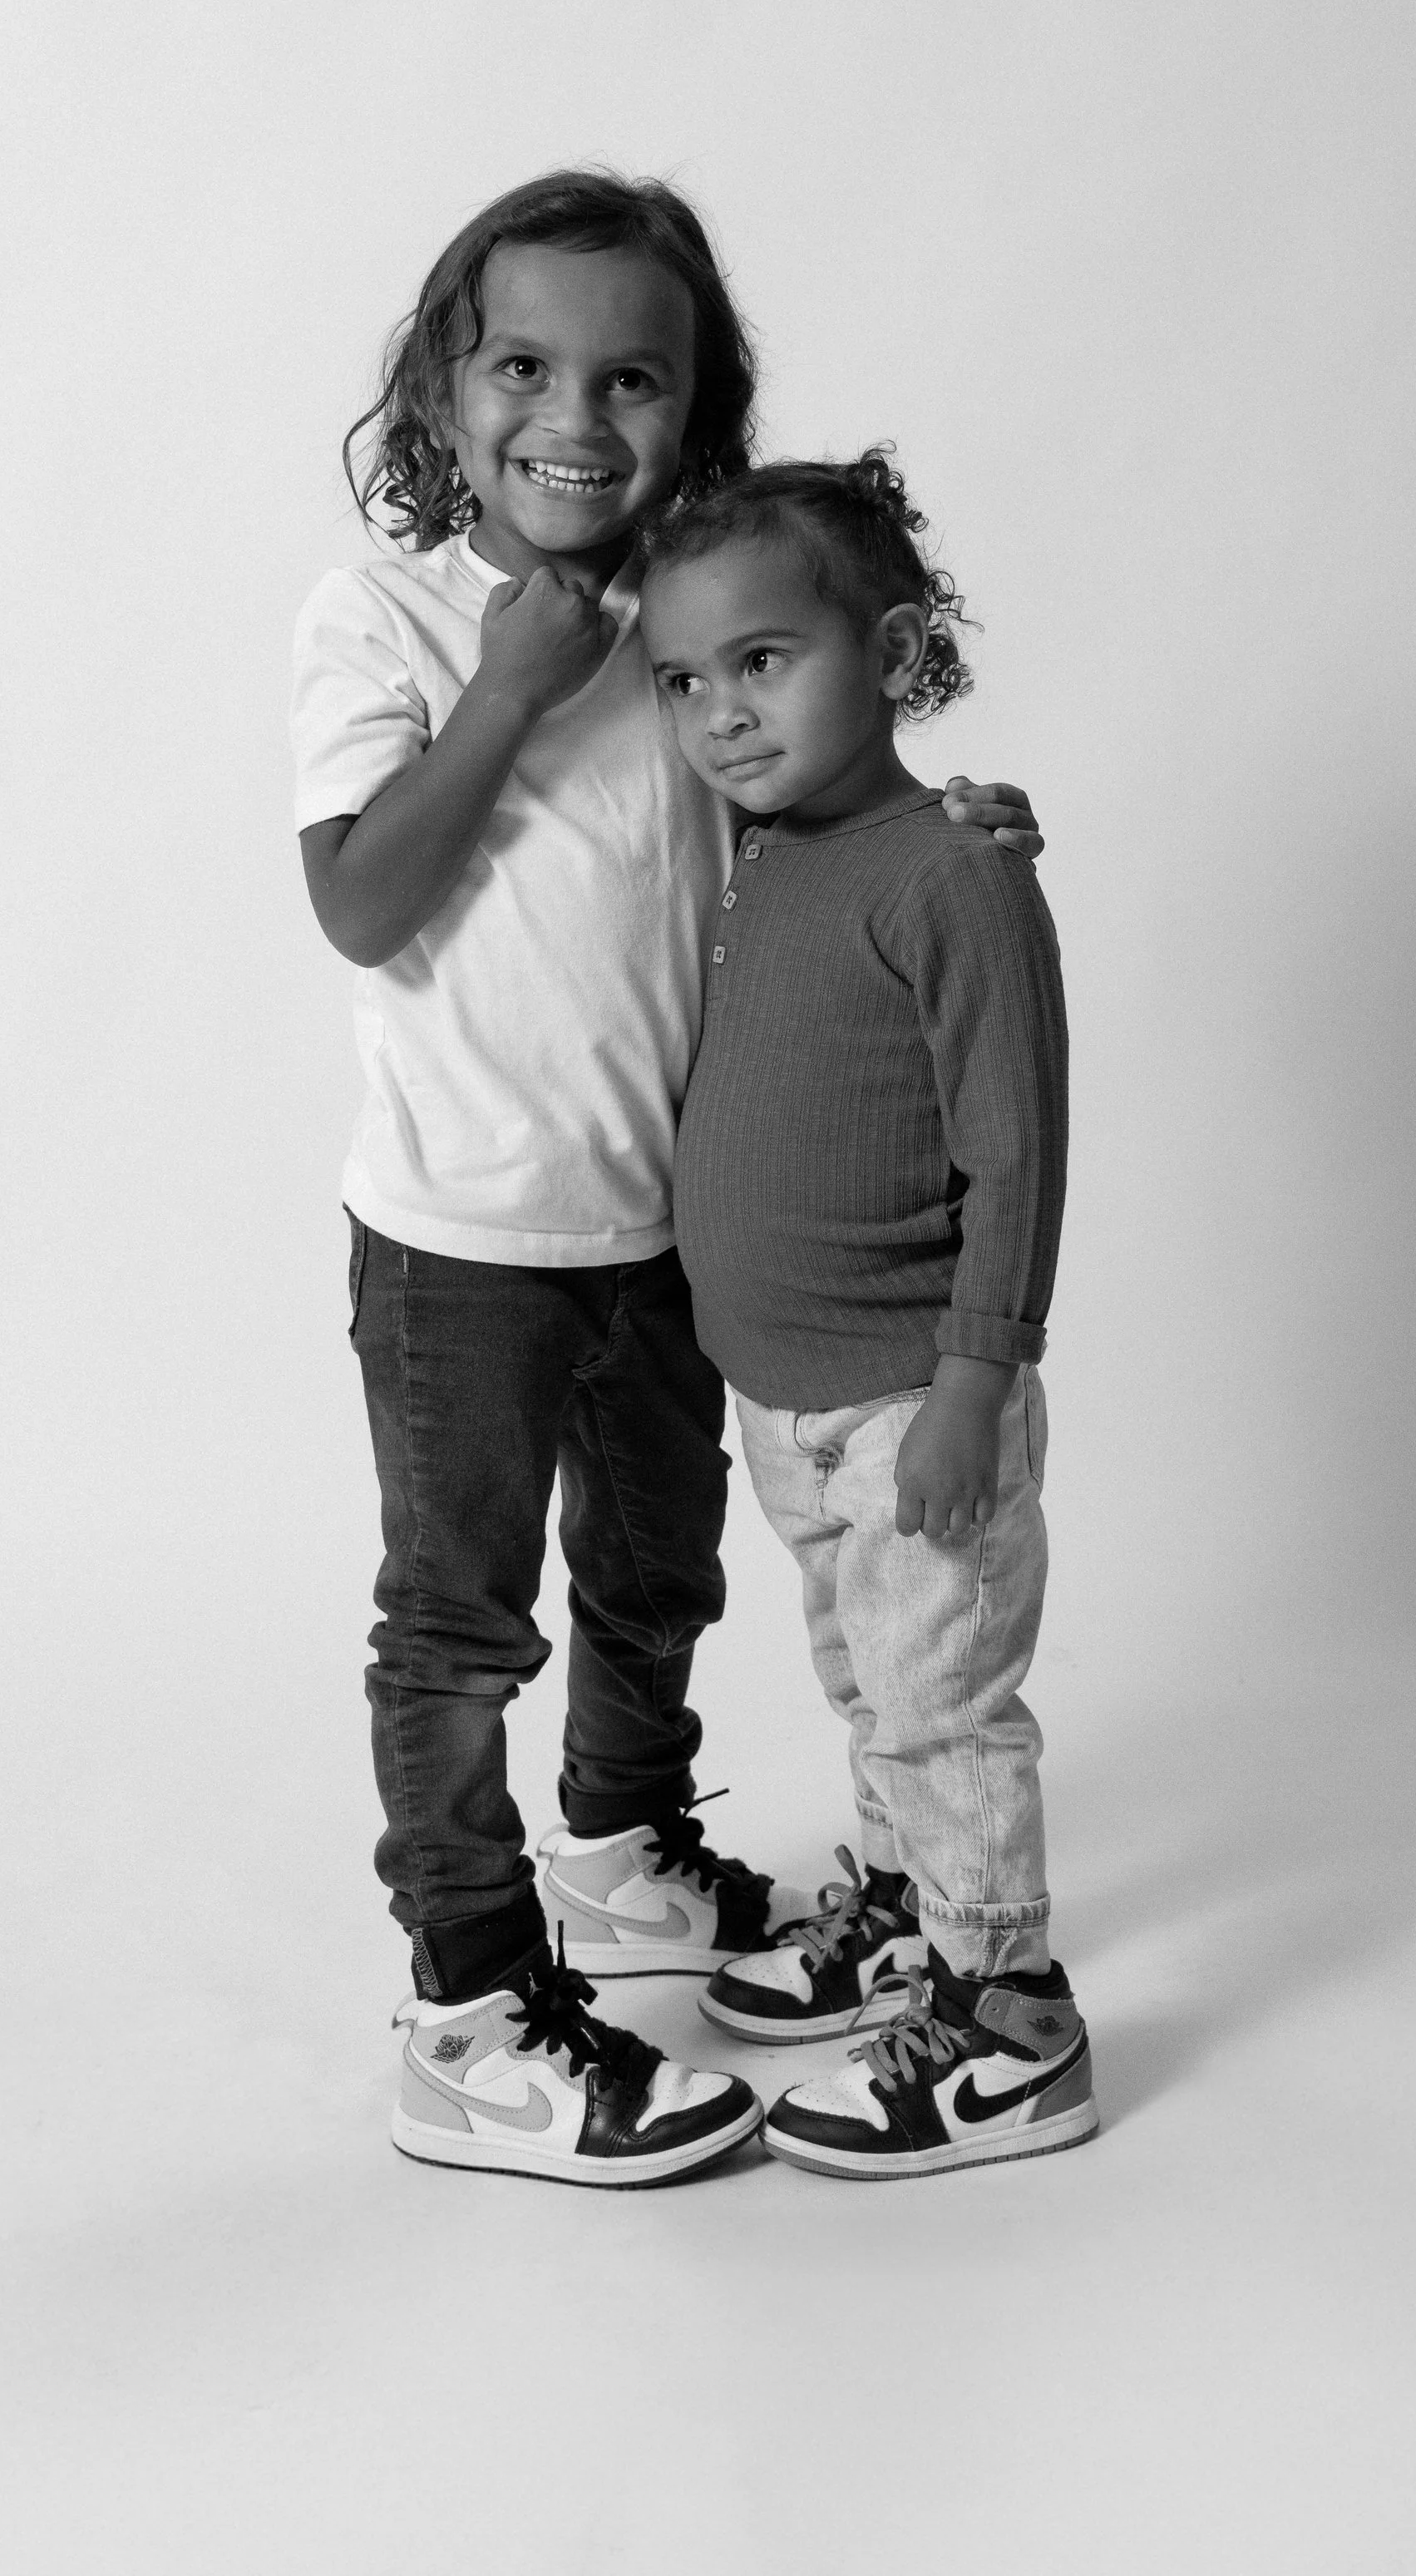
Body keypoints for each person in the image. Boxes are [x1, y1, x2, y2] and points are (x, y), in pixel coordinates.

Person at [292, 173, 1043, 2184]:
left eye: (632, 376)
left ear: (693, 407)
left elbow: (808, 804)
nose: (574, 413)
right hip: (462, 1239)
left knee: (654, 1579)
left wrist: (939, 825)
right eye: (522, 364)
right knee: (460, 1619)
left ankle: (625, 1854)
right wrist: (512, 687)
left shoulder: (685, 626)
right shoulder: (383, 617)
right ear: (437, 394)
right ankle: (466, 2002)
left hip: (660, 1241)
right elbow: (362, 904)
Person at [639, 449, 1099, 2179]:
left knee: (942, 1700)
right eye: (684, 680)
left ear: (893, 653)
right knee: (867, 1680)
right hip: (791, 1398)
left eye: (762, 662)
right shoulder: (763, 850)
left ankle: (1009, 2018)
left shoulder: (948, 872)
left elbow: (1015, 1145)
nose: (719, 714)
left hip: (919, 1387)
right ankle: (911, 1908)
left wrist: (984, 1376)